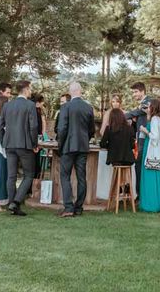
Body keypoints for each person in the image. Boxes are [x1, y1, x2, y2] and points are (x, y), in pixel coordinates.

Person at [0, 80, 39, 216]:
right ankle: (15, 202)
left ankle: (12, 204)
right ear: (26, 89)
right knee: (29, 175)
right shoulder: (30, 105)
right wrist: (34, 144)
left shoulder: (7, 105)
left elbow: (0, 126)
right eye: (30, 88)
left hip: (9, 144)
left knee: (11, 176)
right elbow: (33, 127)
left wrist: (4, 141)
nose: (31, 91)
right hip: (25, 145)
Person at [57, 82, 95, 218]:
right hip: (83, 146)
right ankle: (78, 207)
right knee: (81, 177)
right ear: (81, 91)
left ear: (70, 91)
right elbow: (92, 129)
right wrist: (85, 138)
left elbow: (61, 129)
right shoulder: (88, 107)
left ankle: (68, 207)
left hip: (68, 146)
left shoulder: (66, 106)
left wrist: (60, 145)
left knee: (65, 176)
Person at [138, 98, 160, 213]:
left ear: (153, 107)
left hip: (152, 152)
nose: (148, 108)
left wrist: (145, 130)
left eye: (149, 106)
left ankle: (150, 205)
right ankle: (157, 204)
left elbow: (154, 137)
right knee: (156, 179)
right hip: (158, 153)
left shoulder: (155, 119)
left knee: (150, 179)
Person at [125, 82, 151, 193]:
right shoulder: (142, 103)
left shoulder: (147, 102)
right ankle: (139, 194)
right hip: (139, 137)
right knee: (138, 165)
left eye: (135, 92)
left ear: (142, 91)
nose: (134, 95)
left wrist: (122, 116)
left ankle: (140, 194)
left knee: (139, 165)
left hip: (144, 138)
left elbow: (136, 112)